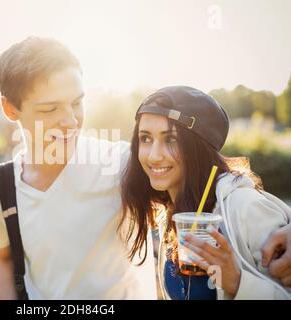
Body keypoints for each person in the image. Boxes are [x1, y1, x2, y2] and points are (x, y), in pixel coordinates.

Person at [0, 37, 156, 299]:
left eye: (76, 103)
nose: (70, 120)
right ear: (10, 109)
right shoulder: (1, 184)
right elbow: (3, 258)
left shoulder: (119, 162)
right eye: (49, 109)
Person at [120, 85, 291, 299]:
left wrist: (237, 283)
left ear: (197, 146)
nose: (154, 156)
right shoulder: (174, 212)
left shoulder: (245, 207)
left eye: (171, 139)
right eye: (145, 138)